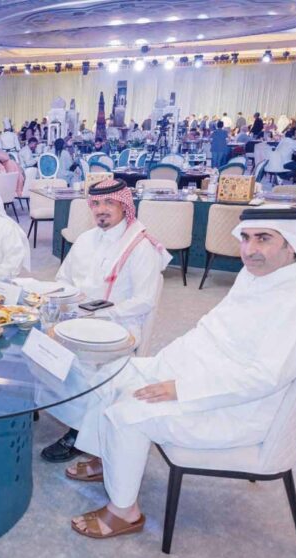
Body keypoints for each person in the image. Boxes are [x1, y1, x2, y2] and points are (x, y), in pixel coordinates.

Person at [66, 207, 296, 540]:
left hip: (239, 408)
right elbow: (209, 332)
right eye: (245, 238)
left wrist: (181, 388)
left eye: (264, 239)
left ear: (292, 245)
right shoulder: (257, 278)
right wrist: (164, 368)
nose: (249, 250)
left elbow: (263, 378)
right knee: (114, 370)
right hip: (207, 378)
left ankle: (124, 512)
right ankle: (109, 456)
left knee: (130, 412)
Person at [42, 179, 172, 463]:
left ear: (124, 206)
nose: (101, 210)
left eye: (109, 203)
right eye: (97, 204)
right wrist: (72, 301)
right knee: (36, 342)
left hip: (120, 326)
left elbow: (144, 301)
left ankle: (80, 430)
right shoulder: (87, 239)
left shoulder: (141, 246)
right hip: (76, 318)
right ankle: (49, 407)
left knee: (79, 361)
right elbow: (63, 278)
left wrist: (100, 313)